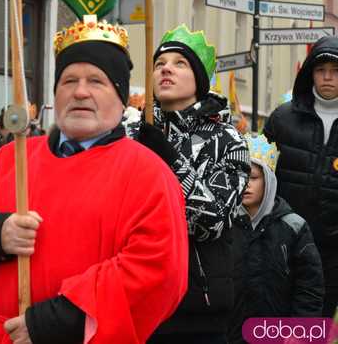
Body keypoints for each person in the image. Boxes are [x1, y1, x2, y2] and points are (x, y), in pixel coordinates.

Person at [0, 15, 189, 343]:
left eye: (96, 81)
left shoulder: (148, 172)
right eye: (69, 81)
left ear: (120, 96)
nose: (80, 92)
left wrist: (54, 322)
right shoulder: (12, 160)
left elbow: (159, 271)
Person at [128, 24, 251, 344]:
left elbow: (213, 220)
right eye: (159, 63)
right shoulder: (130, 133)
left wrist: (167, 158)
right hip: (134, 298)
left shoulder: (228, 140)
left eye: (179, 63)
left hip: (196, 308)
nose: (166, 68)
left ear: (199, 78)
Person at [264, 35, 338, 316]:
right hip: (284, 242)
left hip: (333, 252)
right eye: (321, 70)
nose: (327, 78)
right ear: (310, 73)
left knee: (316, 320)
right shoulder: (283, 119)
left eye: (335, 71)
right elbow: (260, 176)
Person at [227, 134, 323, 344]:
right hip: (230, 333)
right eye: (240, 176)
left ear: (269, 179)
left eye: (253, 177)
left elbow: (309, 286)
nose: (245, 184)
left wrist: (300, 328)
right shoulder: (222, 225)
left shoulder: (293, 226)